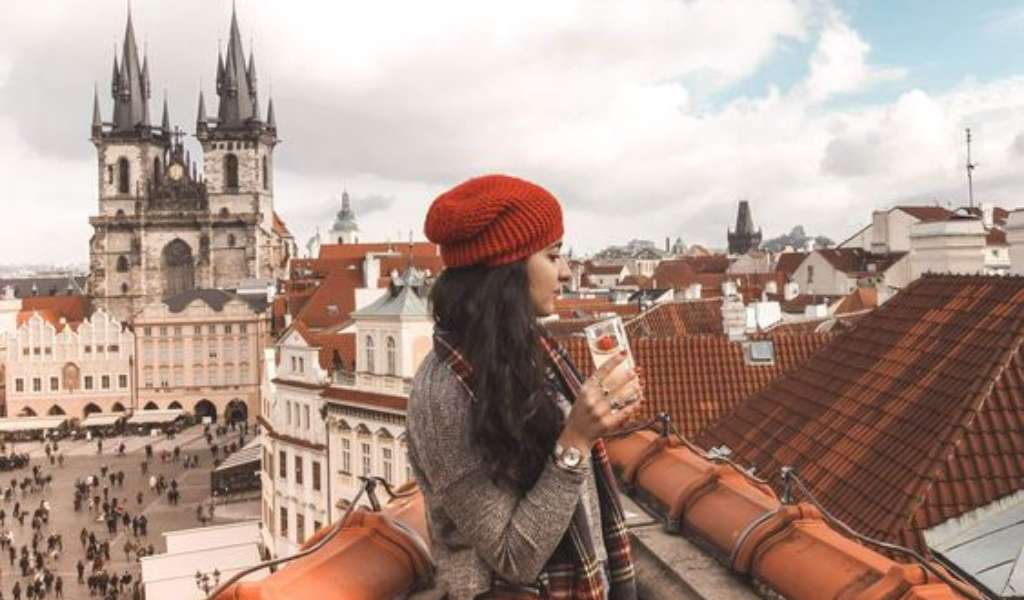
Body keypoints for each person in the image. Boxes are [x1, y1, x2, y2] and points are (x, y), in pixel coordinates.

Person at [408, 175, 644, 599]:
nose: (566, 272)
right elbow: (513, 557)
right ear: (508, 271)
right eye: (553, 255)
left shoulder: (526, 352)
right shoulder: (441, 393)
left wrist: (598, 419)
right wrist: (576, 439)